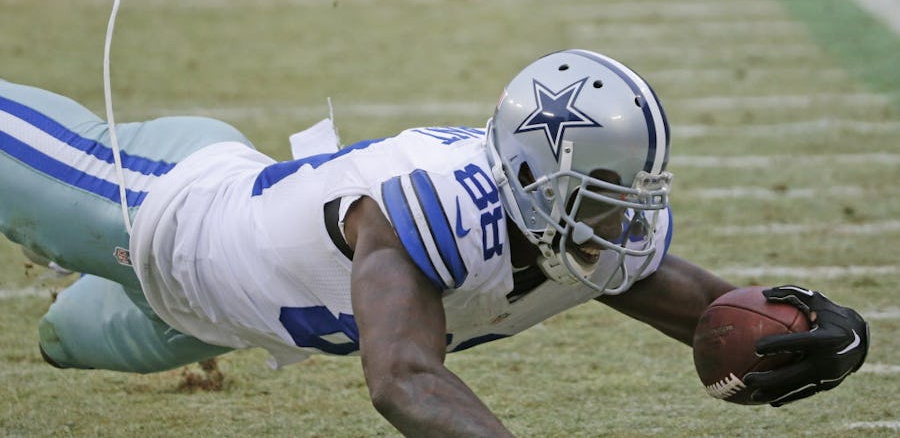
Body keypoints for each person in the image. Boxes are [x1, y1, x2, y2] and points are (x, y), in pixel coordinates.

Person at [0, 49, 869, 437]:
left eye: (632, 198)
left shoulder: (578, 237)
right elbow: (404, 379)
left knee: (58, 340)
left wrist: (819, 329)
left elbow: (706, 309)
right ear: (532, 179)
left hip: (209, 316)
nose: (623, 225)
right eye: (604, 199)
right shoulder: (430, 205)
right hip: (155, 209)